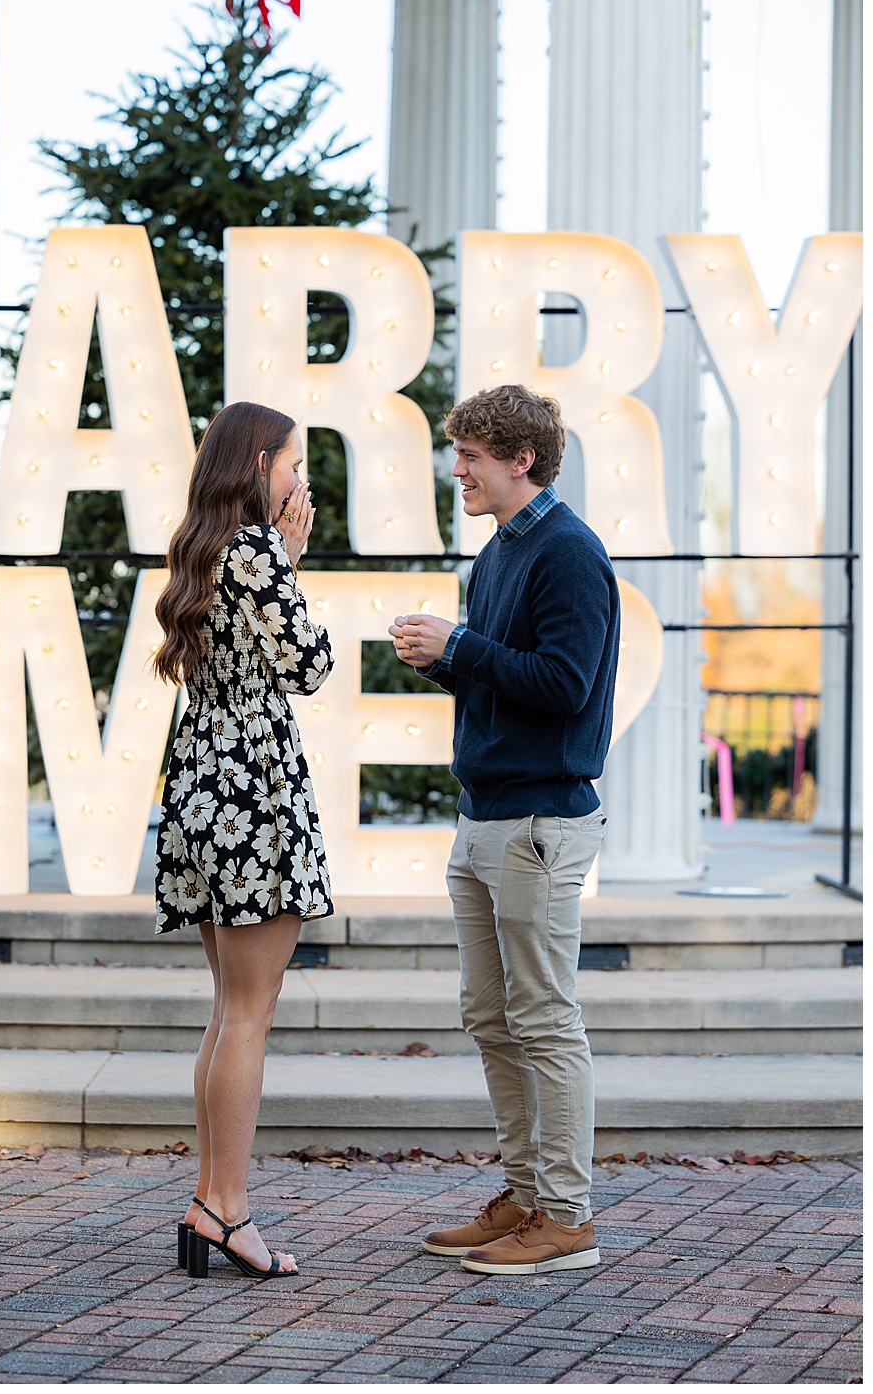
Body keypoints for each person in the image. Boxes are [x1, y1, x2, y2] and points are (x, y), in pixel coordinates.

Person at [389, 384, 619, 1276]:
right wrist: (443, 661)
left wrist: (463, 648)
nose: (458, 470)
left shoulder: (568, 553)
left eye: (472, 456)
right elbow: (506, 681)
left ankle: (567, 1218)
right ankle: (524, 1196)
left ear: (522, 459)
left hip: (539, 824)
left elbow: (566, 686)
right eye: (458, 454)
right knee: (490, 1016)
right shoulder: (497, 556)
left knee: (545, 1021)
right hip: (485, 818)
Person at [151, 400, 332, 1282]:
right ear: (260, 463)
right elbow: (311, 664)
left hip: (202, 785)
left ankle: (209, 1199)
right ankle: (228, 1209)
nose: (303, 482)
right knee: (249, 1015)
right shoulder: (259, 552)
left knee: (228, 1012)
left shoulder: (201, 546)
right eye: (295, 464)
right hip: (253, 794)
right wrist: (292, 564)